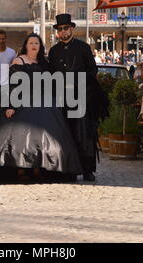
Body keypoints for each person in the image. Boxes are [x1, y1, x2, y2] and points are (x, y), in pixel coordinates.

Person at [0, 33, 82, 183]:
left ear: (40, 46)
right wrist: (10, 105)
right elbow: (13, 84)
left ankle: (39, 168)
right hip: (21, 100)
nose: (34, 46)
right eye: (31, 43)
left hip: (43, 102)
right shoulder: (19, 61)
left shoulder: (44, 62)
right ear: (26, 45)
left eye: (37, 43)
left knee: (44, 136)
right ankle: (20, 169)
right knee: (20, 137)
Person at [48, 14, 102, 182]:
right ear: (57, 32)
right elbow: (50, 74)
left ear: (71, 29)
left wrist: (80, 82)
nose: (63, 32)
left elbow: (93, 71)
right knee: (64, 134)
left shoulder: (83, 48)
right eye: (60, 29)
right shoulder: (54, 51)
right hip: (61, 99)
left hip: (81, 98)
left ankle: (87, 169)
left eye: (66, 28)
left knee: (84, 135)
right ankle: (67, 169)